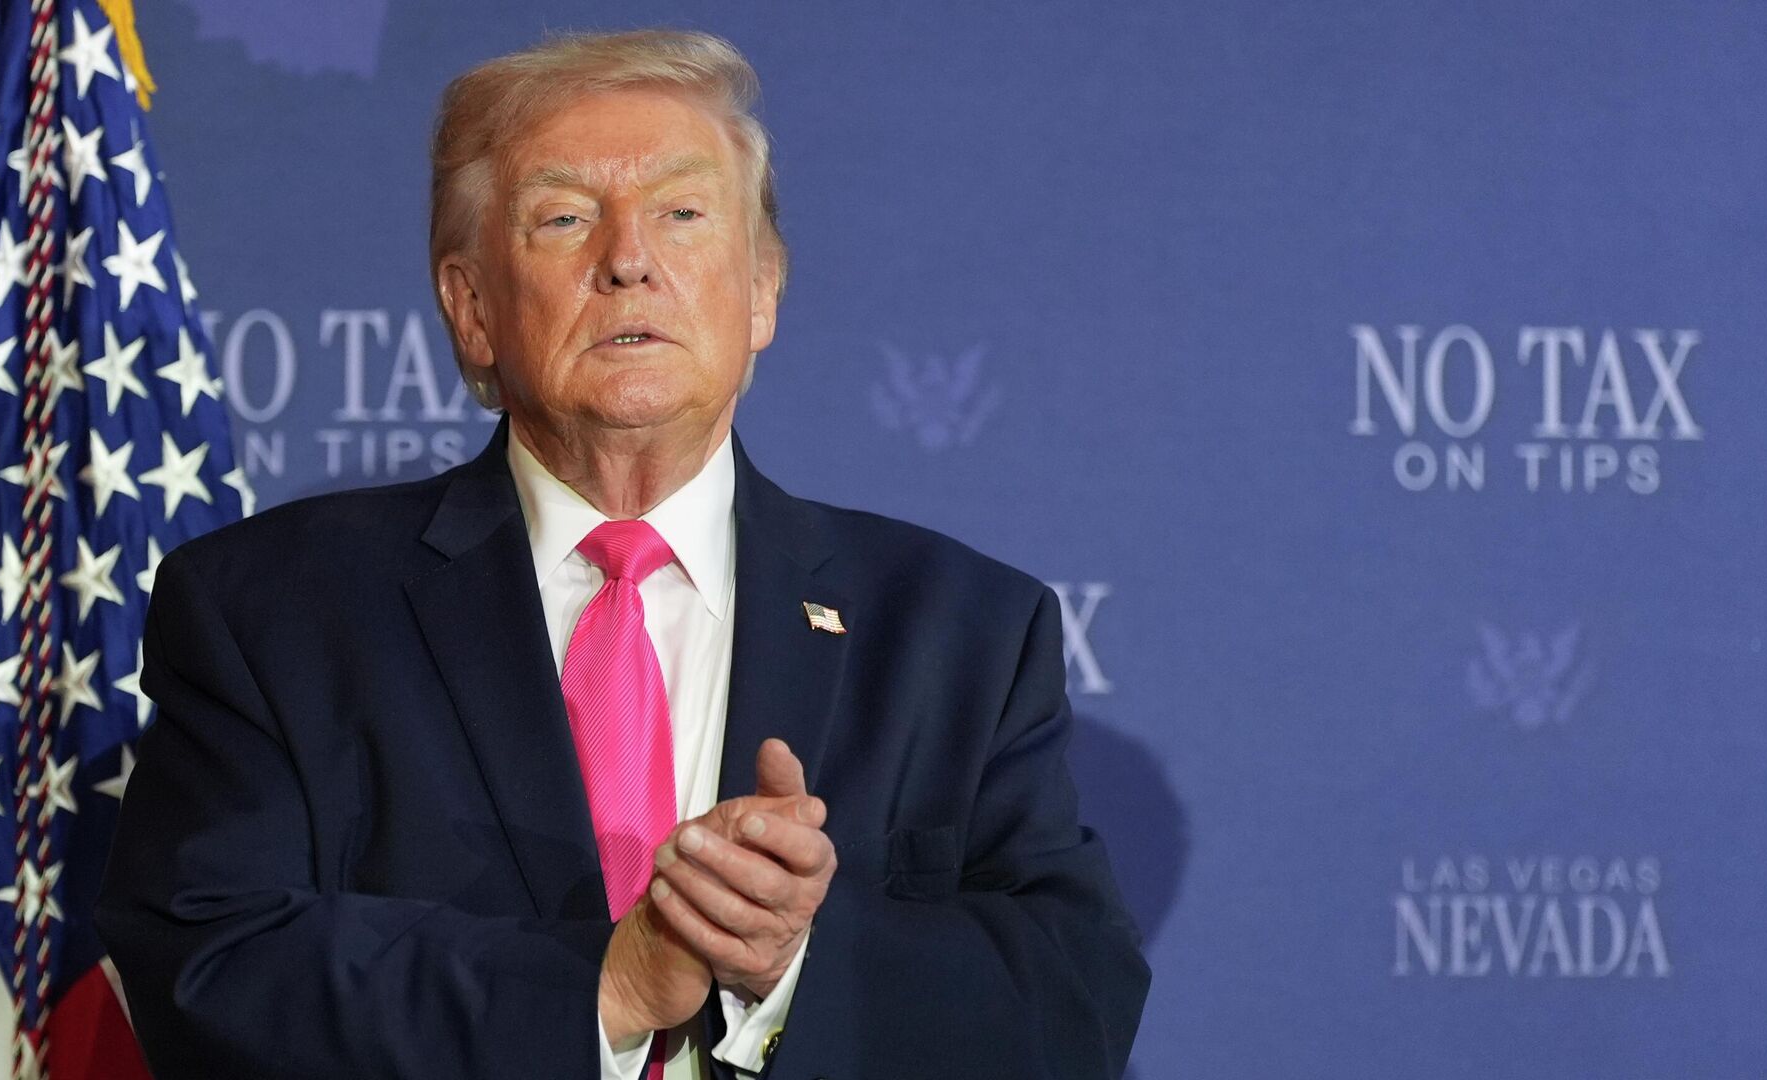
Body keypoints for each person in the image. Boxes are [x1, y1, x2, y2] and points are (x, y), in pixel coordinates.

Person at [96, 29, 1148, 1080]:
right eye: (564, 218)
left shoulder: (961, 630)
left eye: (682, 213)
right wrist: (610, 987)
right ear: (473, 310)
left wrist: (788, 962)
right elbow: (210, 967)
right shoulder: (272, 611)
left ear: (761, 290)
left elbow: (1075, 999)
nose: (628, 259)